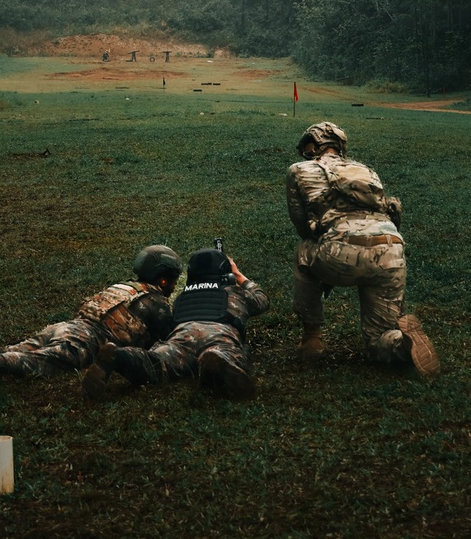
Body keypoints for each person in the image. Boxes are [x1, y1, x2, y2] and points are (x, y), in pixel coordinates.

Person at [286, 120, 439, 374]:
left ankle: (312, 338)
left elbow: (301, 224)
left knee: (303, 252)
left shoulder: (299, 170)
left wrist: (326, 252)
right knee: (379, 338)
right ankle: (403, 343)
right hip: (391, 251)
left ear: (316, 145)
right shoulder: (366, 171)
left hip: (342, 251)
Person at [0, 245, 183, 396]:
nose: (172, 287)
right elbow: (170, 338)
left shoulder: (124, 286)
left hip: (67, 326)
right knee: (38, 361)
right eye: (172, 281)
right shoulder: (155, 302)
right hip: (88, 339)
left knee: (15, 348)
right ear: (162, 279)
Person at [95, 246, 269, 398]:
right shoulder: (234, 292)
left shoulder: (182, 297)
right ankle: (215, 360)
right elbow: (262, 300)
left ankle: (120, 356)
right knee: (229, 354)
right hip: (218, 334)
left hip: (181, 337)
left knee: (156, 362)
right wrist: (239, 276)